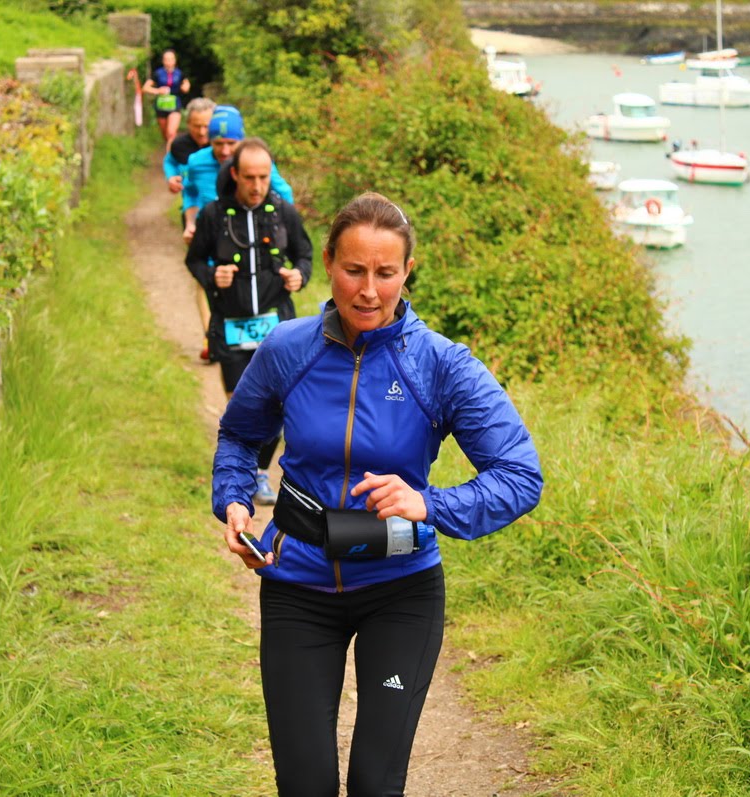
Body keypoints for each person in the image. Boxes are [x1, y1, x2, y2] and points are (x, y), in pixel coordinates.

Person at [212, 193, 543, 796]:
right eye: (354, 270)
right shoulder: (288, 348)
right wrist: (234, 499)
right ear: (328, 262)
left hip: (400, 589)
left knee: (374, 783)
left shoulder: (441, 365)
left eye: (386, 273)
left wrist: (431, 503)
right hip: (297, 586)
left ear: (407, 271)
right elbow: (240, 434)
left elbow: (520, 476)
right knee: (305, 785)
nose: (368, 291)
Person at [188, 138, 312, 504]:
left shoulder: (283, 212)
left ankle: (258, 473)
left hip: (276, 327)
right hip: (232, 324)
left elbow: (305, 255)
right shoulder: (214, 215)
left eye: (263, 177)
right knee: (243, 407)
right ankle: (240, 470)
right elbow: (194, 260)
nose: (257, 186)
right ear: (235, 175)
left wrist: (299, 276)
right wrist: (213, 277)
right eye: (249, 178)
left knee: (278, 405)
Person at [182, 105, 293, 245]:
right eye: (218, 143)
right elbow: (190, 192)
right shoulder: (196, 162)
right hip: (210, 238)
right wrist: (190, 224)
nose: (225, 151)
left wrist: (283, 231)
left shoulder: (257, 162)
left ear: (242, 140)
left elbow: (284, 193)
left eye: (231, 143)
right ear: (209, 140)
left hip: (247, 238)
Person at [163, 97, 216, 195]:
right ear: (188, 124)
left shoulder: (223, 146)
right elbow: (169, 161)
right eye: (197, 126)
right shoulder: (179, 145)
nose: (202, 132)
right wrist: (171, 177)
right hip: (191, 198)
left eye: (207, 126)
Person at [141, 49, 191, 145]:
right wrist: (157, 91)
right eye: (166, 59)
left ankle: (171, 153)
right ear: (163, 61)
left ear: (175, 60)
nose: (169, 62)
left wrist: (185, 87)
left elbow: (186, 85)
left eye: (171, 59)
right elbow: (145, 88)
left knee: (171, 133)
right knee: (165, 134)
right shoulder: (158, 73)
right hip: (161, 105)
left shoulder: (180, 73)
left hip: (175, 105)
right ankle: (171, 147)